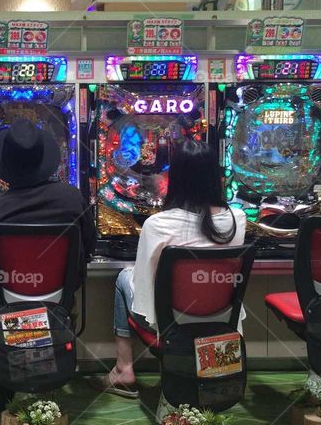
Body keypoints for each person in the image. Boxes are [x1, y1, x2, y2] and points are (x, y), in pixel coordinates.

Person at [0, 119, 94, 403]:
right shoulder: (73, 199)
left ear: (5, 168)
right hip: (59, 304)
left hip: (6, 305)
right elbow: (88, 248)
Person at [91, 139, 247, 399]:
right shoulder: (236, 219)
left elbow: (143, 284)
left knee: (123, 278)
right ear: (216, 175)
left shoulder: (158, 223)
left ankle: (123, 369)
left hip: (170, 322)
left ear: (174, 177)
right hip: (221, 317)